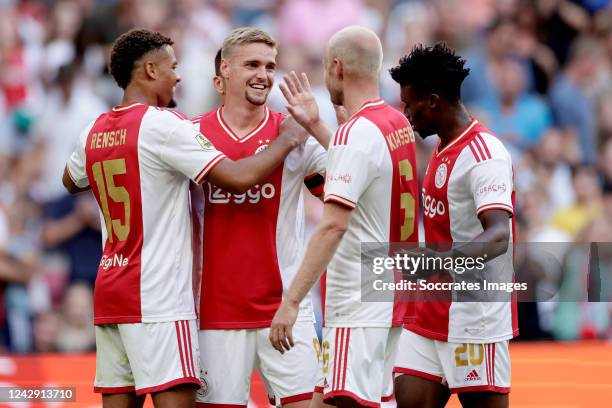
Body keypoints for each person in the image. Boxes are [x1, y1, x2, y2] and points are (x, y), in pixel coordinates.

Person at [62, 28, 307, 408]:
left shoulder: (93, 130)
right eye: (172, 67)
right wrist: (288, 138)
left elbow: (71, 179)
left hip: (111, 289)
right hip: (158, 296)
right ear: (149, 70)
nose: (178, 76)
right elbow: (240, 179)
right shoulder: (165, 126)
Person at [269, 26, 419, 407]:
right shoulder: (395, 122)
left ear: (337, 67)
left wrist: (292, 301)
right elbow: (364, 165)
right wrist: (318, 126)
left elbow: (333, 224)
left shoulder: (358, 133)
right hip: (391, 291)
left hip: (357, 301)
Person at [192, 27, 326, 408]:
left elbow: (352, 182)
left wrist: (316, 125)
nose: (263, 74)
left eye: (270, 66)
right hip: (214, 313)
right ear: (225, 72)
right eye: (252, 64)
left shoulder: (296, 131)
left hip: (284, 308)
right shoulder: (191, 135)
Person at [389, 43, 516, 408]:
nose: (406, 112)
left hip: (475, 317)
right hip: (430, 311)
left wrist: (432, 262)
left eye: (408, 103)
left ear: (432, 100)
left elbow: (497, 236)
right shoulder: (444, 148)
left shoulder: (485, 156)